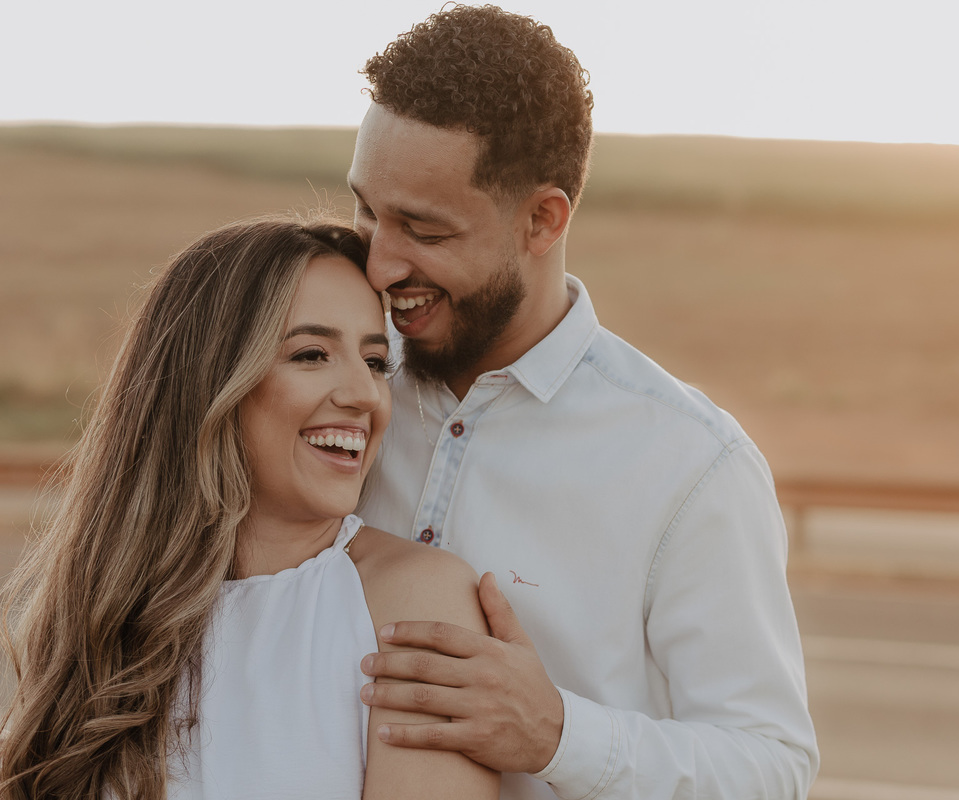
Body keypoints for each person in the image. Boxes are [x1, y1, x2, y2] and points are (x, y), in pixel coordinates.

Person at [349, 5, 819, 799]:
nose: (379, 264)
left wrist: (557, 734)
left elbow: (771, 769)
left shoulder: (692, 466)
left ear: (543, 219)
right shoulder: (328, 399)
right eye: (365, 211)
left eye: (422, 230)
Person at [0, 216, 500, 800]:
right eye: (312, 354)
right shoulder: (103, 613)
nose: (365, 395)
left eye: (374, 361)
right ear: (207, 380)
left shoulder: (416, 607)